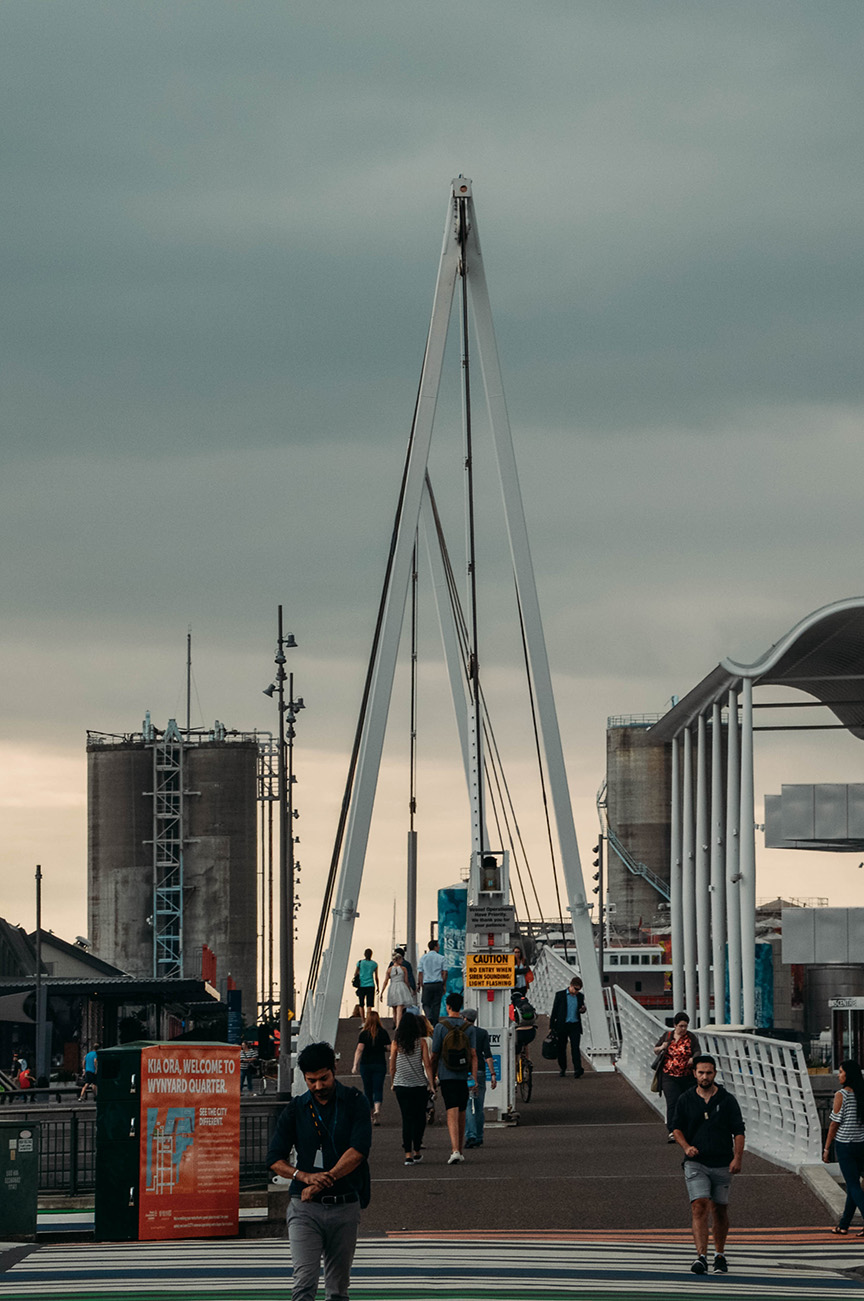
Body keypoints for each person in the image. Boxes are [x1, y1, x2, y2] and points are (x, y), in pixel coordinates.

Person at [266, 1041, 372, 1301]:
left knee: (338, 1288)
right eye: (311, 1080)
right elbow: (273, 1158)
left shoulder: (355, 1101)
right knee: (304, 1283)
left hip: (345, 1204)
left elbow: (358, 1151)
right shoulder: (296, 1109)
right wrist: (303, 1177)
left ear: (334, 1068)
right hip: (304, 1208)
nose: (318, 1087)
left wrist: (324, 1181)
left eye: (323, 1078)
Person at [672, 1054, 745, 1275]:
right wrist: (686, 1147)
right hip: (696, 1162)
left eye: (709, 1072)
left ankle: (720, 1255)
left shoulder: (727, 1099)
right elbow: (676, 1128)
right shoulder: (685, 1099)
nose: (705, 1076)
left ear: (715, 1074)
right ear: (694, 1073)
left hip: (722, 1162)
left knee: (720, 1210)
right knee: (699, 1205)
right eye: (701, 1072)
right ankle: (701, 1256)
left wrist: (737, 1158)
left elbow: (739, 1131)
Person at [430, 991, 478, 1165]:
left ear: (448, 1007)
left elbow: (434, 1054)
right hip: (463, 1074)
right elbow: (473, 1055)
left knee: (451, 1110)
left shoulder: (440, 1027)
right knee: (462, 1110)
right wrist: (474, 1077)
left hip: (446, 1074)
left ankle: (455, 1150)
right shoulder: (469, 1028)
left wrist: (433, 1075)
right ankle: (461, 1149)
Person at [389, 1011, 436, 1165]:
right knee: (419, 1118)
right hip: (419, 1085)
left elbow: (392, 1066)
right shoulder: (421, 1042)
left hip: (401, 1085)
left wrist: (393, 1081)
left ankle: (407, 1154)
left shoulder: (396, 1043)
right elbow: (427, 1065)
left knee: (406, 1118)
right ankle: (417, 1150)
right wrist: (431, 1083)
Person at [824, 1058, 864, 1235]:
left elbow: (834, 1123)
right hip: (861, 1144)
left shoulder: (842, 1094)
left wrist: (826, 1148)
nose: (839, 1075)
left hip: (845, 1145)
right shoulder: (862, 1093)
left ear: (848, 1075)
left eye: (841, 1072)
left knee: (853, 1185)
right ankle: (844, 1225)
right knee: (853, 1185)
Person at [653, 1011, 701, 1141]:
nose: (683, 1029)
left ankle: (686, 1129)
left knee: (687, 1102)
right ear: (675, 1025)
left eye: (685, 1026)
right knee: (673, 1102)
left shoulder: (691, 1037)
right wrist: (662, 1047)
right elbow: (655, 1049)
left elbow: (697, 1050)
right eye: (681, 1026)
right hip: (669, 1076)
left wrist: (693, 1058)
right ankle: (673, 1130)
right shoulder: (668, 1036)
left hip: (687, 1076)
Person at [462, 1007, 497, 1148]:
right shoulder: (482, 1033)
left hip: (466, 1071)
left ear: (465, 1018)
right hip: (481, 1071)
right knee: (479, 1105)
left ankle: (471, 1135)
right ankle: (480, 1135)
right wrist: (493, 1074)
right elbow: (488, 1055)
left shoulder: (461, 1033)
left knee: (468, 1105)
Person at [351, 1009, 390, 1126]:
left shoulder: (363, 1034)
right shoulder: (383, 1032)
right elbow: (389, 1047)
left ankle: (371, 1113)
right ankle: (378, 1110)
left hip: (366, 1064)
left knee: (367, 1089)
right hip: (379, 1064)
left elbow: (359, 1050)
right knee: (378, 1088)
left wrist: (354, 1065)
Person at [549, 975, 585, 1077]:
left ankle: (577, 1069)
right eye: (576, 989)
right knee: (561, 1048)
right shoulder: (560, 995)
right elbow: (554, 1010)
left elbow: (581, 1009)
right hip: (562, 1025)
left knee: (575, 1048)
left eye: (579, 990)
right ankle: (563, 1068)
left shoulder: (580, 996)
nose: (577, 991)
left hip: (575, 1025)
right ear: (571, 985)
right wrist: (552, 1026)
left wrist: (583, 1010)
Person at [380, 950, 415, 1029]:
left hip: (392, 987)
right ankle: (398, 1026)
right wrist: (409, 989)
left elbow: (385, 981)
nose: (402, 961)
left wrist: (382, 992)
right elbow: (406, 981)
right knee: (400, 1008)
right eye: (401, 959)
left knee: (394, 1008)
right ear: (399, 959)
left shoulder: (389, 970)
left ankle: (395, 1023)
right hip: (401, 987)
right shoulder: (403, 969)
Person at [417, 940, 448, 1025]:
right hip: (438, 983)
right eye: (438, 946)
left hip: (427, 984)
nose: (439, 947)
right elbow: (445, 972)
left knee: (426, 1003)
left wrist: (420, 984)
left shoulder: (423, 958)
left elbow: (420, 972)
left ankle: (428, 1017)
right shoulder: (441, 958)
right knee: (436, 1004)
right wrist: (443, 984)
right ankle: (435, 1022)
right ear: (435, 947)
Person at [353, 949, 379, 1016]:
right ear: (371, 955)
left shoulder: (360, 962)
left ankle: (363, 1021)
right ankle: (368, 1020)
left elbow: (355, 973)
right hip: (370, 985)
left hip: (361, 985)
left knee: (361, 1004)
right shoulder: (374, 964)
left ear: (364, 954)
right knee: (369, 1005)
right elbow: (376, 977)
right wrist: (378, 987)